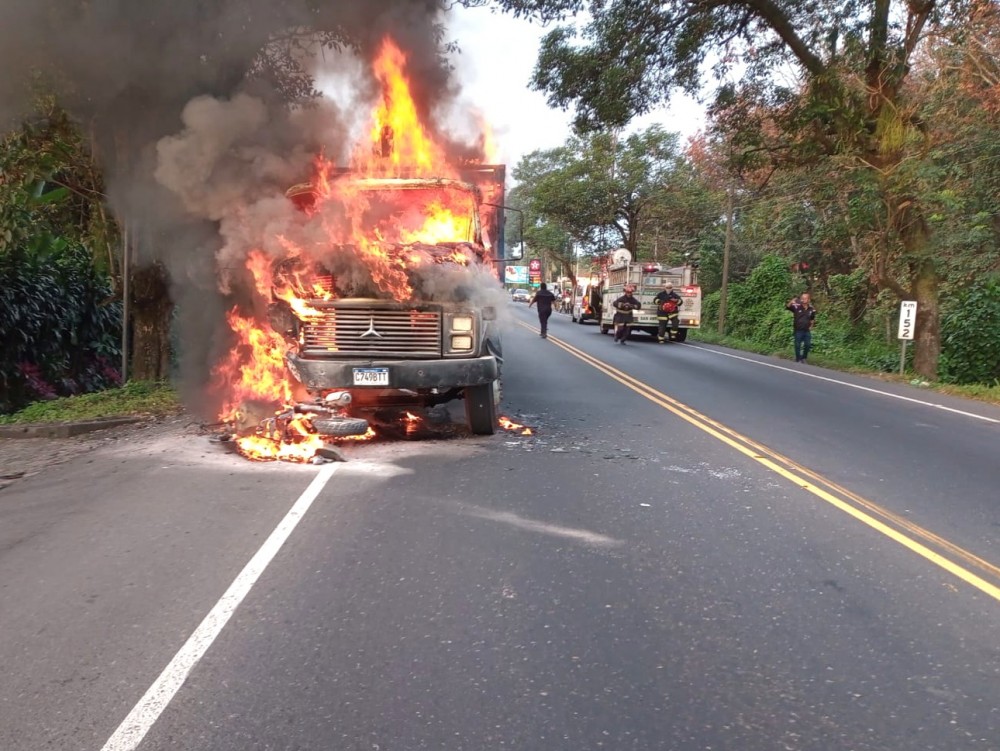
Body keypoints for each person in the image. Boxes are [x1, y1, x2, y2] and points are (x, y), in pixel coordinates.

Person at [786, 292, 817, 362]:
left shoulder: (811, 309)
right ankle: (798, 359)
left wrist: (811, 326)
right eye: (802, 298)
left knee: (807, 344)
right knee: (797, 345)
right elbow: (788, 307)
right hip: (798, 330)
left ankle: (804, 358)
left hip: (806, 330)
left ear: (809, 299)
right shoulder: (796, 307)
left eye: (805, 298)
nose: (803, 299)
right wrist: (792, 301)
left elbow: (812, 319)